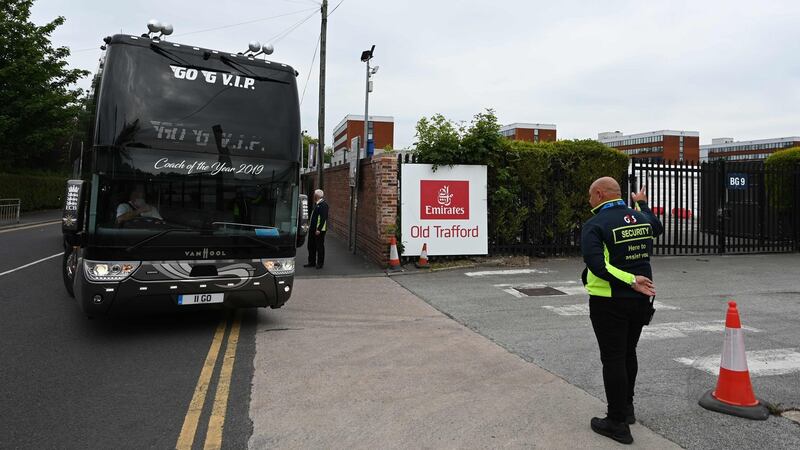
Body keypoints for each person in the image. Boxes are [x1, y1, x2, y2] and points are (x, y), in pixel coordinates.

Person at [581, 177, 664, 445]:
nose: (589, 200)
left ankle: (616, 423)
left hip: (610, 301)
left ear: (600, 194)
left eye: (590, 196)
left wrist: (630, 280)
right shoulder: (639, 218)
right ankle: (626, 409)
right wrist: (643, 204)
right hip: (641, 299)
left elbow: (598, 267)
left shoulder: (594, 225)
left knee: (614, 358)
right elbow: (657, 227)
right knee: (629, 353)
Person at [303, 189, 328, 269]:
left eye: (314, 194)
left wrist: (319, 229)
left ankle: (320, 264)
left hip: (319, 231)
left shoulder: (323, 205)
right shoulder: (317, 204)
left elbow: (323, 218)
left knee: (319, 247)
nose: (313, 195)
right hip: (312, 229)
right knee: (311, 246)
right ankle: (311, 262)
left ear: (317, 196)